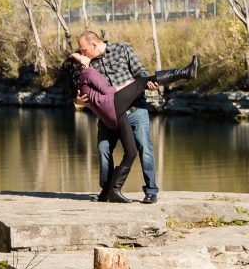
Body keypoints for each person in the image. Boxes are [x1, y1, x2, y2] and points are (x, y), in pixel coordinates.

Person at [77, 31, 195, 205]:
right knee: (103, 149)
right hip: (109, 115)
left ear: (94, 45)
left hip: (135, 110)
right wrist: (77, 101)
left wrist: (151, 84)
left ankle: (151, 191)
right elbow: (82, 92)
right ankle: (107, 190)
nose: (82, 53)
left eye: (83, 49)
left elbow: (141, 73)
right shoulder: (87, 65)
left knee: (144, 148)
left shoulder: (122, 49)